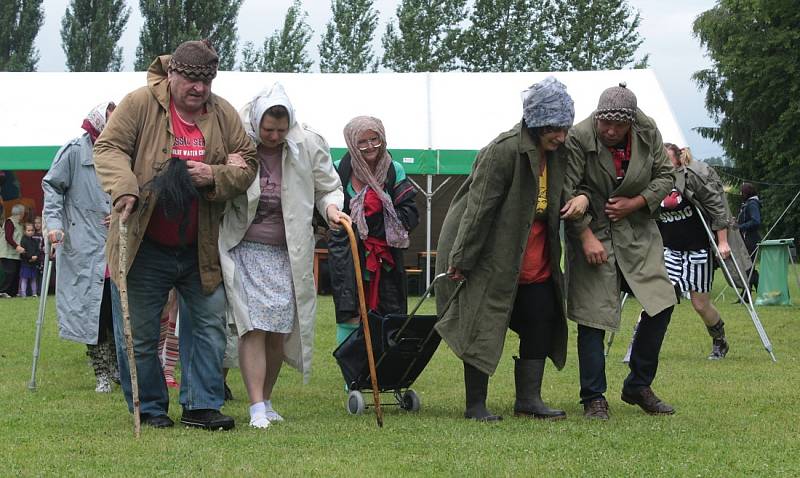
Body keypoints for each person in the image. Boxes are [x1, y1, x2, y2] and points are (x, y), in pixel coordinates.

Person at [93, 39, 258, 430]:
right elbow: (109, 147)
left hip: (200, 246)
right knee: (141, 335)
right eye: (190, 79)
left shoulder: (223, 113)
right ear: (172, 73)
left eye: (206, 81)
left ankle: (201, 406)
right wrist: (125, 187)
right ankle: (149, 409)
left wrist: (215, 174)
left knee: (208, 329)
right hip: (144, 243)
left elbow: (247, 161)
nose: (198, 89)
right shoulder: (138, 104)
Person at [434, 77, 582, 421]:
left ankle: (528, 400)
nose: (561, 135)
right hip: (493, 257)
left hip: (537, 258)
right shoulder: (502, 151)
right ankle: (475, 407)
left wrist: (581, 200)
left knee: (542, 319)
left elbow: (572, 186)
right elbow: (478, 209)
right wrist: (462, 259)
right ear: (536, 121)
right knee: (481, 324)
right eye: (555, 127)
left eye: (565, 127)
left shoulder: (562, 152)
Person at [220, 83, 346, 428]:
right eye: (268, 129)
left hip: (287, 253)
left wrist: (332, 208)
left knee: (277, 331)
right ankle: (256, 405)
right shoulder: (238, 142)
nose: (274, 136)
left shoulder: (308, 144)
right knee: (253, 327)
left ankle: (268, 399)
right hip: (244, 249)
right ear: (257, 122)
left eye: (280, 129)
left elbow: (328, 185)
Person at [563, 83, 677, 419]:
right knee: (592, 316)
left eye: (618, 125)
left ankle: (638, 385)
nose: (610, 131)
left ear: (630, 122)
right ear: (597, 117)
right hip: (593, 231)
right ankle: (593, 397)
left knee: (661, 303)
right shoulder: (578, 138)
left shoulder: (647, 130)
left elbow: (665, 175)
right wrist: (584, 236)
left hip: (637, 232)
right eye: (605, 123)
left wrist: (637, 202)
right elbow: (565, 191)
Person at [42, 102, 120, 393]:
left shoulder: (123, 150)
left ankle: (115, 367)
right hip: (83, 241)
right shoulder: (75, 151)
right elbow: (52, 186)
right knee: (92, 310)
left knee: (116, 310)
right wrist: (53, 224)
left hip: (116, 242)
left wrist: (125, 209)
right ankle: (101, 370)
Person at [327, 116, 419, 347]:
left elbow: (410, 212)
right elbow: (324, 208)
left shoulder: (393, 169)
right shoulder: (339, 169)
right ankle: (353, 377)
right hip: (347, 252)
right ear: (351, 143)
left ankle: (382, 371)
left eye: (374, 139)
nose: (370, 147)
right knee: (350, 311)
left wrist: (380, 216)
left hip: (385, 255)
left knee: (388, 312)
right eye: (362, 141)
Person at [738, 182, 761, 291]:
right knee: (747, 266)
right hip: (747, 238)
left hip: (751, 239)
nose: (740, 194)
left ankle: (758, 287)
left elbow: (756, 221)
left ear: (746, 192)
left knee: (748, 266)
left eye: (742, 192)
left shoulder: (752, 204)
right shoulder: (748, 203)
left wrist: (740, 227)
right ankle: (748, 292)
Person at [0, 204, 25, 298]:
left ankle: (12, 292)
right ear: (21, 213)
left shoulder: (19, 224)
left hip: (16, 254)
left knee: (15, 273)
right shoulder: (10, 222)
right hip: (8, 253)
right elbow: (8, 237)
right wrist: (17, 246)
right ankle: (3, 291)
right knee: (9, 273)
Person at [18, 223, 40, 297]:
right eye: (28, 230)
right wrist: (30, 258)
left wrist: (36, 256)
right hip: (26, 263)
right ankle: (23, 293)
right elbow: (23, 252)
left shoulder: (35, 241)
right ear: (24, 231)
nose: (30, 232)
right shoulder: (23, 240)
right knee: (24, 278)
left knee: (33, 278)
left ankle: (34, 293)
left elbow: (38, 250)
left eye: (32, 230)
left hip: (33, 263)